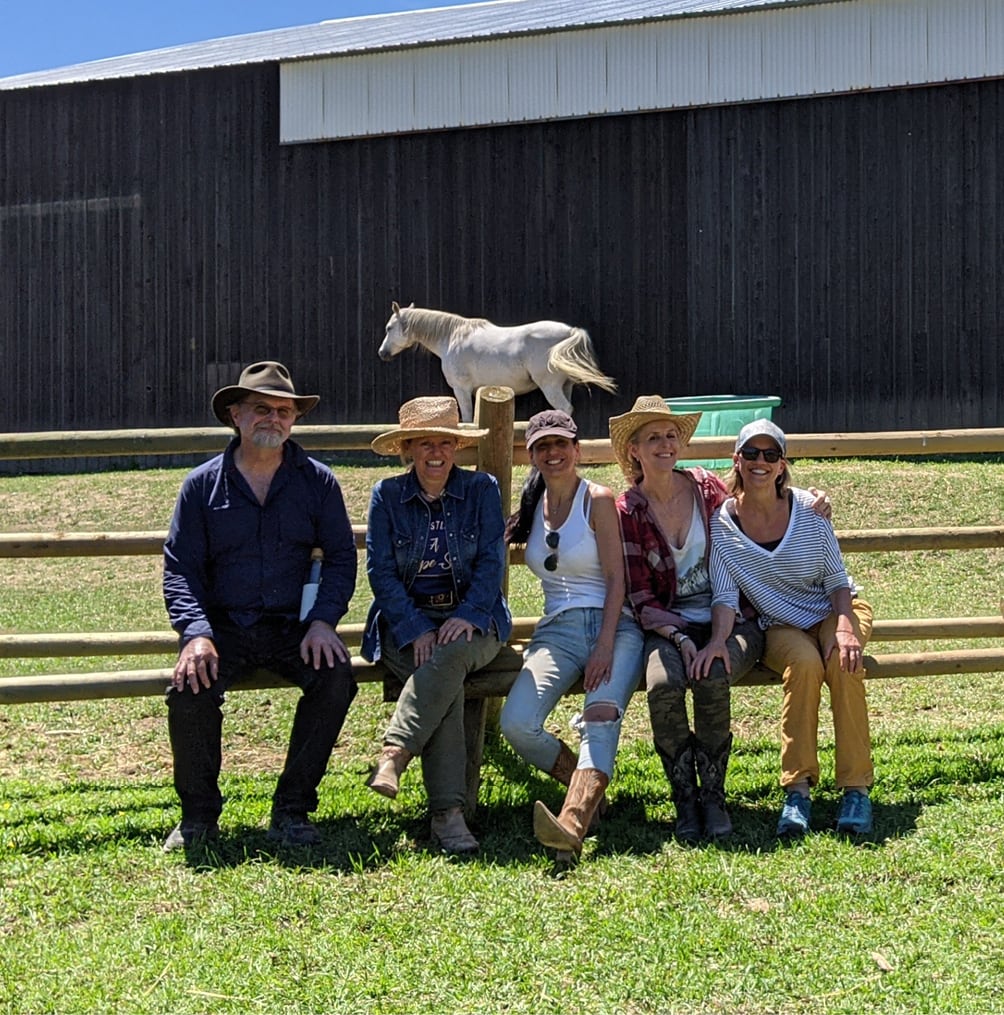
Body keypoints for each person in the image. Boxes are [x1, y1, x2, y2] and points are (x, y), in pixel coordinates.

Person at [162, 361, 357, 851]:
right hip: (223, 626)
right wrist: (196, 633)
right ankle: (198, 817)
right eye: (261, 409)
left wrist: (322, 622)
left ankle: (292, 809)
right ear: (236, 415)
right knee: (188, 690)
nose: (273, 418)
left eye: (284, 411)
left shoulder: (319, 483)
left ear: (294, 419)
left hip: (295, 626)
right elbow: (179, 567)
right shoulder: (201, 485)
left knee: (336, 679)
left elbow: (339, 558)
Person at [609, 395, 766, 842]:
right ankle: (685, 800)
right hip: (668, 626)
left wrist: (812, 500)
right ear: (634, 450)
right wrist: (680, 639)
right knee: (662, 686)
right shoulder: (629, 510)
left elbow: (762, 497)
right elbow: (641, 596)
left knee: (713, 676)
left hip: (733, 620)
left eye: (671, 435)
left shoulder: (706, 488)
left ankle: (714, 797)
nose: (665, 444)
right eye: (653, 437)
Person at [709, 419, 875, 837]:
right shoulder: (722, 526)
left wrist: (844, 629)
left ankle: (856, 788)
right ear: (737, 460)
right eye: (751, 453)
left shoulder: (809, 509)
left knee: (843, 662)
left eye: (770, 455)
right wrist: (716, 641)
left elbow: (838, 581)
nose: (760, 462)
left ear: (782, 465)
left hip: (836, 610)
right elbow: (726, 598)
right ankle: (797, 791)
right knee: (803, 666)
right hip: (779, 623)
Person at [362, 396, 511, 855]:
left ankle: (395, 754)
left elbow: (491, 561)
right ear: (408, 448)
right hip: (407, 624)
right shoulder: (387, 496)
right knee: (443, 679)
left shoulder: (482, 489)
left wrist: (466, 614)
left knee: (447, 661)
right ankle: (448, 817)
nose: (435, 452)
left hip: (476, 618)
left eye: (445, 442)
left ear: (456, 448)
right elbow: (380, 572)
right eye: (424, 443)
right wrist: (415, 627)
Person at [500, 409, 643, 860]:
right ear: (533, 456)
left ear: (577, 450)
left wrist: (604, 645)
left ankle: (573, 823)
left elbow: (617, 581)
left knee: (599, 717)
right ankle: (581, 787)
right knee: (517, 723)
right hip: (556, 633)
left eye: (561, 444)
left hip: (613, 625)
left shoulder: (597, 499)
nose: (553, 452)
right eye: (543, 446)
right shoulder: (532, 506)